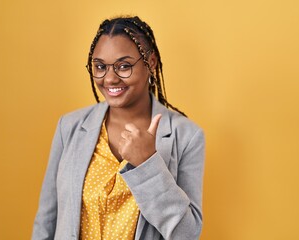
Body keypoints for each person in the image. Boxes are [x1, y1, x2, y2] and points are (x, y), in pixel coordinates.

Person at [32, 16, 205, 240]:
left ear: (151, 63)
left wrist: (147, 163)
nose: (110, 78)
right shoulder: (70, 127)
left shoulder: (187, 136)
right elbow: (46, 220)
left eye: (124, 66)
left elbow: (187, 234)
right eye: (100, 66)